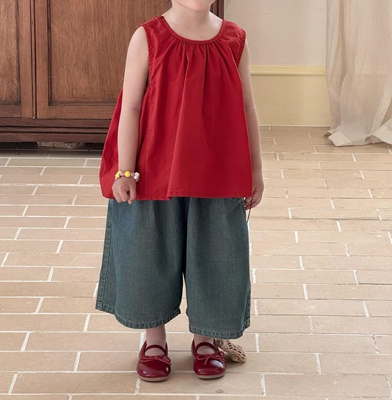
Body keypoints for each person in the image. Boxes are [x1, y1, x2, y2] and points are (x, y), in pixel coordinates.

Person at [96, 0, 264, 382]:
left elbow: (247, 105)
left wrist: (255, 170)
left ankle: (206, 338)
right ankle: (153, 339)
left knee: (217, 257)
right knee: (147, 254)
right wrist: (125, 170)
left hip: (217, 173)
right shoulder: (147, 37)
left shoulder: (235, 39)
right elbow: (131, 106)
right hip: (154, 171)